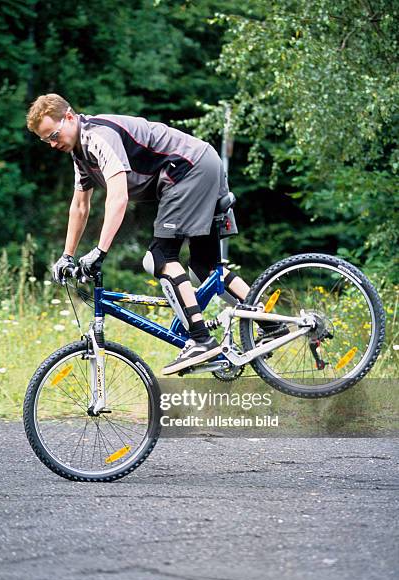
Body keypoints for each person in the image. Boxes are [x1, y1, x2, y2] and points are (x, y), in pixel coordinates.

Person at [26, 93, 253, 374]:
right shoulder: (79, 154)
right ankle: (269, 322)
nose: (52, 143)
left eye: (54, 134)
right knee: (203, 270)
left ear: (70, 117)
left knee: (159, 259)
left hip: (187, 169)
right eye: (45, 139)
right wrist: (66, 256)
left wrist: (100, 251)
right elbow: (80, 206)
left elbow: (118, 197)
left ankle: (201, 340)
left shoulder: (98, 136)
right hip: (199, 164)